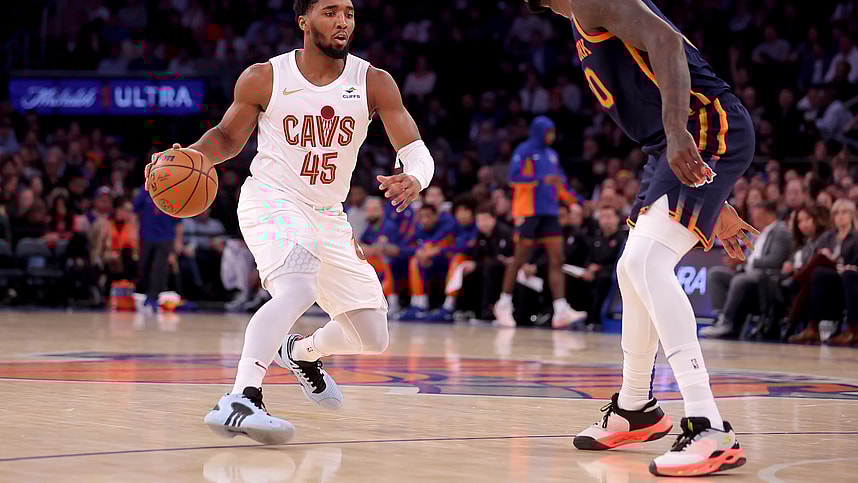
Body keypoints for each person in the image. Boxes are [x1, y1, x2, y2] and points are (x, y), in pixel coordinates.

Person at [145, 0, 434, 444]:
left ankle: (299, 352)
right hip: (271, 199)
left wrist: (416, 175)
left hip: (328, 214)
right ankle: (241, 397)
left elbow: (413, 144)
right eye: (330, 11)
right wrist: (189, 157)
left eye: (349, 14)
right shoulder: (266, 76)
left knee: (372, 335)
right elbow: (225, 137)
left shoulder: (373, 82)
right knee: (297, 286)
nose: (342, 22)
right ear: (303, 21)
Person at [523, 0, 758, 476]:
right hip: (672, 145)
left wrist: (678, 136)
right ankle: (635, 407)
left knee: (646, 264)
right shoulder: (577, 16)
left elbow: (667, 42)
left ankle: (708, 424)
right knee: (632, 270)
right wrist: (714, 197)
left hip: (703, 127)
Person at [493, 115, 586, 329]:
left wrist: (578, 202)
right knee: (519, 258)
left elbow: (561, 185)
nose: (552, 136)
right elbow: (513, 178)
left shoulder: (552, 155)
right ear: (540, 131)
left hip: (550, 212)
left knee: (557, 258)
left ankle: (560, 309)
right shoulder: (524, 150)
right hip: (528, 210)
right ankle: (503, 304)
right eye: (549, 132)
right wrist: (539, 180)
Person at [702, 201, 791, 338]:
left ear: (767, 212)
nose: (752, 217)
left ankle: (729, 324)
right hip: (748, 275)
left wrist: (746, 261)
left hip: (763, 281)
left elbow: (775, 260)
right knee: (716, 275)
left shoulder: (780, 231)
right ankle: (721, 318)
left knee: (740, 280)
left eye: (755, 213)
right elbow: (750, 261)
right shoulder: (760, 232)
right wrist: (738, 264)